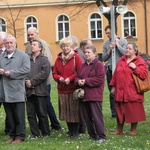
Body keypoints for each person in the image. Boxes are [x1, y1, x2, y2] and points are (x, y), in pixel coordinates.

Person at [25, 27, 61, 131]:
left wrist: (33, 81)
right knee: (35, 105)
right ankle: (41, 126)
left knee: (46, 103)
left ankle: (55, 124)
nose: (30, 36)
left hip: (43, 82)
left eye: (32, 34)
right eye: (28, 35)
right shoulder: (28, 46)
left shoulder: (43, 44)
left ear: (37, 33)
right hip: (30, 82)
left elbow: (46, 64)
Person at [110, 42, 147, 136]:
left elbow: (144, 75)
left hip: (132, 90)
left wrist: (135, 68)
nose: (127, 50)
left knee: (133, 110)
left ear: (135, 51)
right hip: (120, 90)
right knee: (119, 110)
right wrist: (113, 86)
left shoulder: (139, 61)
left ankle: (133, 130)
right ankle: (119, 130)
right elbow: (115, 74)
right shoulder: (121, 60)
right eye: (126, 48)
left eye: (130, 48)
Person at [0, 35, 30, 144]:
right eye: (7, 43)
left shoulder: (23, 56)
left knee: (19, 115)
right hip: (4, 91)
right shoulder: (1, 56)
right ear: (4, 44)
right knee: (10, 115)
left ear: (15, 43)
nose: (9, 45)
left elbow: (26, 69)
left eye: (11, 42)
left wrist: (11, 73)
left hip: (17, 90)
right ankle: (12, 135)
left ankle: (20, 136)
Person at [75, 45, 106, 142]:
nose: (86, 54)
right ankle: (92, 135)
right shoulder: (83, 66)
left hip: (95, 95)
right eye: (85, 52)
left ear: (95, 53)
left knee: (97, 117)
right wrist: (78, 81)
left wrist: (86, 81)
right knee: (87, 118)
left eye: (89, 52)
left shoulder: (99, 65)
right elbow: (76, 77)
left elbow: (100, 80)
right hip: (84, 96)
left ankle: (101, 136)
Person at [53, 37, 82, 138]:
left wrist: (70, 78)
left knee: (74, 111)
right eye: (63, 46)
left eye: (67, 46)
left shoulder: (76, 57)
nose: (65, 48)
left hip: (73, 88)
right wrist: (59, 78)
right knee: (66, 111)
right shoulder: (58, 59)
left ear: (71, 47)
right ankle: (70, 131)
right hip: (62, 89)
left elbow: (79, 71)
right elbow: (54, 73)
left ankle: (75, 132)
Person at [25, 39, 50, 138]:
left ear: (40, 48)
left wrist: (32, 82)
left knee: (42, 113)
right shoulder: (26, 59)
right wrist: (27, 81)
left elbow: (44, 74)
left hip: (40, 91)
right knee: (30, 114)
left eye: (34, 45)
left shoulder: (44, 60)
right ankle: (35, 133)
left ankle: (45, 132)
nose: (32, 46)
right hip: (29, 91)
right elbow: (23, 71)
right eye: (31, 45)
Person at [102, 25, 127, 118]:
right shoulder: (105, 44)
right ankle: (114, 112)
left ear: (113, 32)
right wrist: (110, 49)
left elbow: (125, 53)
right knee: (112, 91)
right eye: (106, 33)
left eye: (109, 33)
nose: (107, 35)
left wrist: (118, 46)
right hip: (110, 69)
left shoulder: (123, 41)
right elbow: (103, 58)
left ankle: (123, 110)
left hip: (121, 70)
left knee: (122, 90)